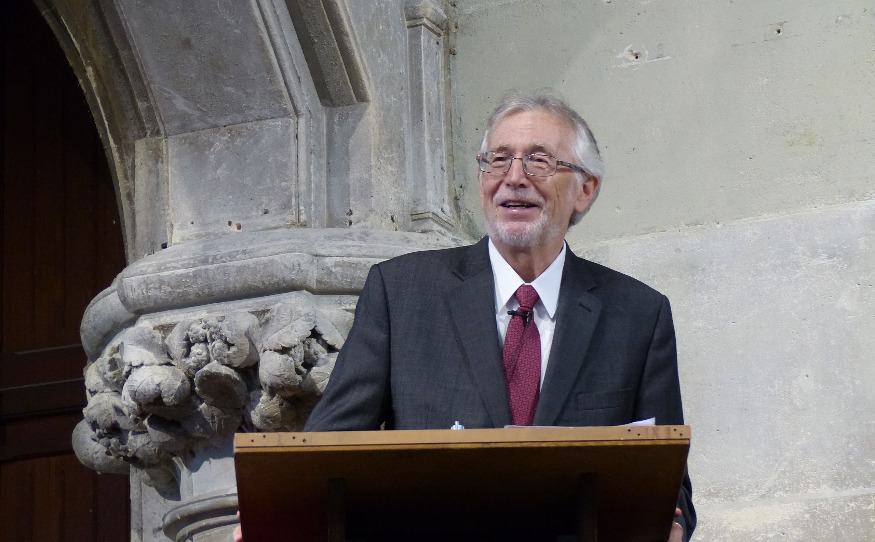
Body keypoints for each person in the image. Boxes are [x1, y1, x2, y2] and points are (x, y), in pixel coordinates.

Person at [235, 90, 695, 541]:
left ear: (585, 189)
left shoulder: (638, 315)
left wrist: (670, 524)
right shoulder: (402, 293)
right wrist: (280, 517)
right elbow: (327, 451)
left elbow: (670, 488)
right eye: (498, 160)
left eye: (539, 161)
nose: (514, 177)